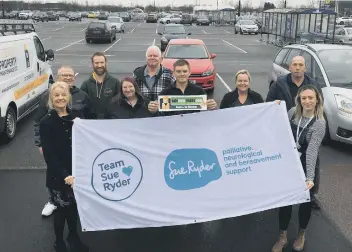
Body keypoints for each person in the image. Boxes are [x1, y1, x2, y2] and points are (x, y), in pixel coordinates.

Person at [271, 85, 325, 252]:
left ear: (317, 100)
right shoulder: (292, 112)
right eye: (304, 98)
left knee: (305, 201)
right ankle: (282, 236)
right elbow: (280, 129)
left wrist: (309, 177)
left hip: (306, 164)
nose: (307, 101)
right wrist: (275, 109)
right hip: (290, 162)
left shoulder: (319, 123)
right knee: (286, 200)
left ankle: (301, 234)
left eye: (310, 98)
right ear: (299, 100)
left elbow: (312, 151)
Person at [34, 66, 92, 217]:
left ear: (74, 77)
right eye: (64, 75)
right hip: (55, 147)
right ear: (58, 77)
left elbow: (88, 121)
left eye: (70, 75)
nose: (67, 77)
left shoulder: (82, 95)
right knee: (57, 176)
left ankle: (76, 201)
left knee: (74, 185)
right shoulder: (49, 95)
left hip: (74, 149)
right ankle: (53, 202)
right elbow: (38, 120)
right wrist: (40, 143)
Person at [266, 55, 322, 209]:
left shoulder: (313, 84)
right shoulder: (279, 85)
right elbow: (268, 104)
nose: (297, 67)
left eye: (300, 65)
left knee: (311, 161)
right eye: (294, 65)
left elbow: (319, 105)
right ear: (289, 68)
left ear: (305, 68)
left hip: (308, 129)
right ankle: (283, 192)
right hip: (286, 129)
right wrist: (274, 105)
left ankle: (311, 195)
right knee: (285, 162)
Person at [40, 82, 89, 252]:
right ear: (51, 99)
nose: (60, 98)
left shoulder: (76, 117)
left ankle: (73, 237)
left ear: (68, 97)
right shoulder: (46, 122)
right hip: (58, 175)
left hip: (77, 172)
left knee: (74, 208)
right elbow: (49, 155)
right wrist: (64, 175)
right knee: (61, 210)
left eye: (63, 95)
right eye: (56, 95)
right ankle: (59, 241)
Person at [148, 59, 217, 116]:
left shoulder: (198, 91)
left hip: (193, 127)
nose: (182, 74)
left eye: (185, 71)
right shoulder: (166, 92)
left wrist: (212, 106)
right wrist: (154, 109)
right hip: (172, 128)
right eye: (178, 71)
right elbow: (158, 115)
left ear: (189, 72)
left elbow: (208, 112)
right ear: (174, 73)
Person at [81, 52, 120, 119]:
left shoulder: (115, 82)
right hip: (91, 123)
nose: (99, 65)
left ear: (106, 63)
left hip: (111, 122)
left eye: (102, 62)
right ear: (92, 64)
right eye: (96, 63)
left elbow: (120, 103)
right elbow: (82, 105)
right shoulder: (86, 84)